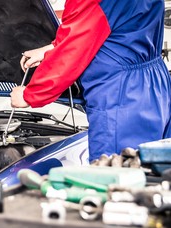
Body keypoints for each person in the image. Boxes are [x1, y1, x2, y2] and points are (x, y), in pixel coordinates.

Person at [10, 0, 171, 162]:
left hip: (120, 96)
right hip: (155, 85)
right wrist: (53, 48)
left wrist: (29, 94)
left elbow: (71, 55)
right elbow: (118, 27)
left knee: (114, 175)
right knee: (153, 171)